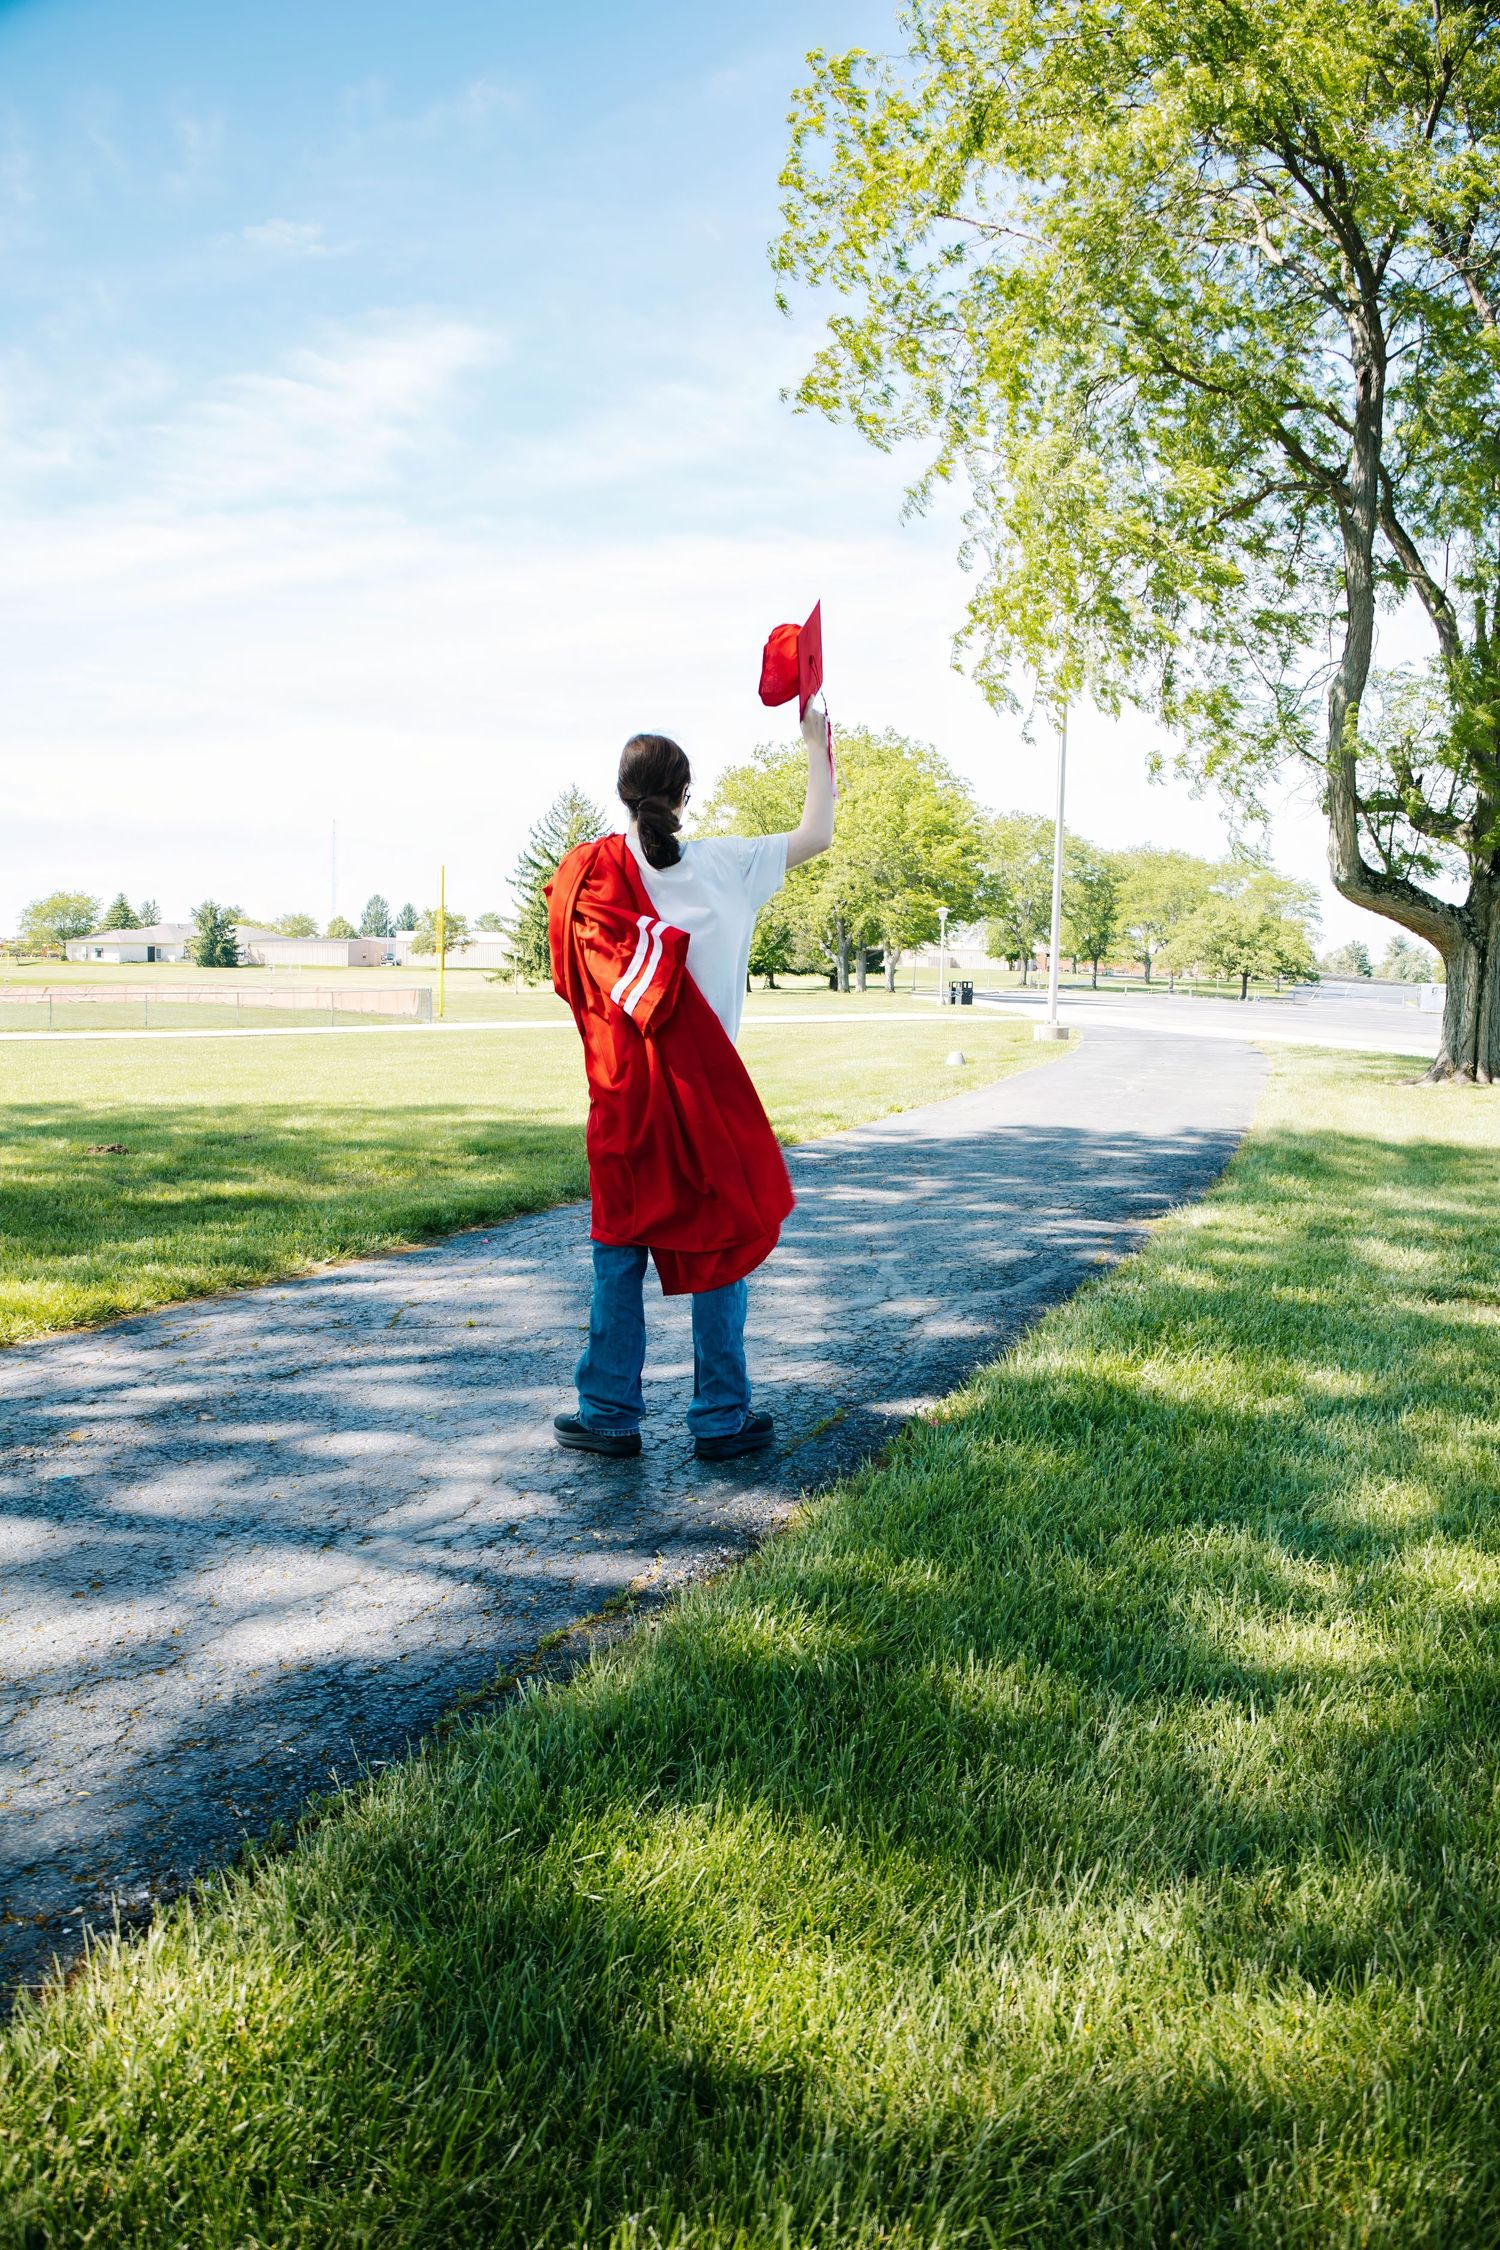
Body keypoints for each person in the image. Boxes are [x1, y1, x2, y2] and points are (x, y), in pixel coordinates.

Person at [546, 701, 836, 1461]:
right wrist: (815, 743)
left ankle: (608, 1414)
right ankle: (719, 1417)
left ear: (622, 792)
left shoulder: (588, 876)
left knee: (619, 1248)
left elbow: (577, 985)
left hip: (623, 1099)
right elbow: (818, 834)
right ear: (684, 797)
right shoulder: (728, 866)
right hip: (702, 1100)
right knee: (721, 1244)